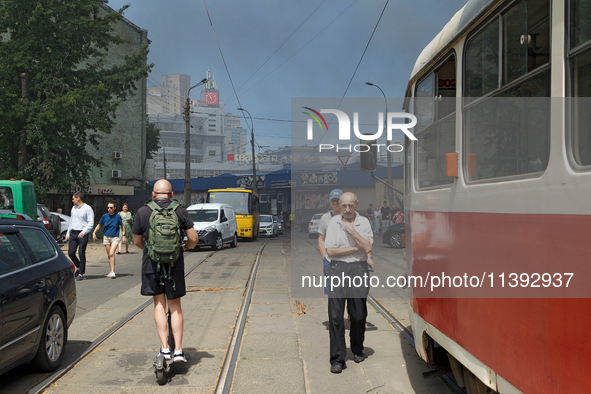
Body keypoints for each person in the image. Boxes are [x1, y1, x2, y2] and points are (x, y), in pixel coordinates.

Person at [132, 179, 198, 364]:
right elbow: (193, 238)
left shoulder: (143, 211)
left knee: (159, 304)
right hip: (174, 264)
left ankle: (165, 348)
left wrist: (150, 249)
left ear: (153, 194)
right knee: (175, 306)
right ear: (171, 194)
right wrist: (184, 247)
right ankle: (178, 350)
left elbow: (137, 240)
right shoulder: (180, 210)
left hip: (151, 265)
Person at [324, 192, 373, 373]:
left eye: (351, 205)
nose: (347, 209)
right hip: (338, 269)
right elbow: (330, 251)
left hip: (359, 269)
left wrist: (352, 231)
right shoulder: (334, 223)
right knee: (336, 316)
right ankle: (337, 359)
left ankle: (357, 348)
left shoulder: (364, 223)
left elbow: (368, 247)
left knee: (358, 314)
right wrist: (354, 247)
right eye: (344, 206)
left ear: (356, 204)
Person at [317, 189, 343, 295]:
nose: (336, 203)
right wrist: (325, 258)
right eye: (333, 200)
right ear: (330, 202)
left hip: (348, 260)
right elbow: (321, 238)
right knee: (333, 293)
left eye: (338, 200)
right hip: (330, 260)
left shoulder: (350, 216)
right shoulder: (325, 218)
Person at [66, 192, 94, 281]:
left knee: (81, 253)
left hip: (83, 233)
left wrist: (84, 232)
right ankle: (78, 266)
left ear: (78, 198)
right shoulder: (73, 208)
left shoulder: (87, 208)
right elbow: (71, 222)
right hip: (73, 232)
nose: (72, 200)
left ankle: (81, 273)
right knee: (71, 253)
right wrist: (67, 233)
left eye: (73, 198)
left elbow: (90, 223)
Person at [92, 201, 125, 279]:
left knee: (111, 253)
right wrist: (94, 233)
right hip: (106, 237)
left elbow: (122, 227)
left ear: (114, 208)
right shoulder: (104, 216)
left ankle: (113, 272)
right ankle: (111, 270)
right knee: (109, 255)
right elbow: (99, 225)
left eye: (111, 208)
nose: (109, 209)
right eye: (108, 207)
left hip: (115, 237)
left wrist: (123, 236)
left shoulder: (117, 217)